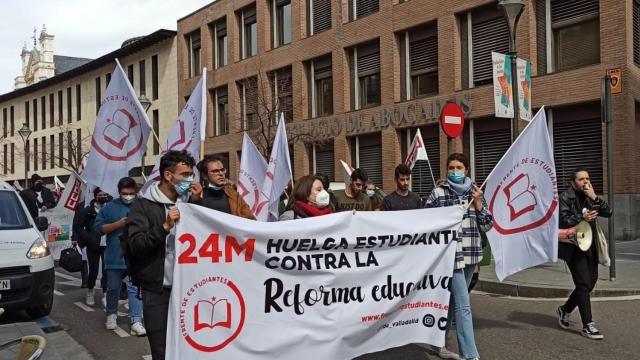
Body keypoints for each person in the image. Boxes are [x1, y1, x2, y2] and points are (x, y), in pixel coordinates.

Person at [127, 150, 198, 360]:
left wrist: (200, 203)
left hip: (188, 288)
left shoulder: (190, 203)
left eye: (191, 174)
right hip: (157, 289)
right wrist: (164, 226)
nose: (189, 179)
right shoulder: (143, 205)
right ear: (168, 175)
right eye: (185, 175)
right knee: (161, 348)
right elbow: (136, 244)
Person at [425, 153, 492, 360]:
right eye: (451, 167)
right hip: (450, 255)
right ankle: (470, 354)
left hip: (471, 253)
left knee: (454, 301)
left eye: (459, 167)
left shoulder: (476, 193)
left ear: (467, 170)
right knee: (463, 304)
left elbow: (488, 224)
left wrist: (479, 203)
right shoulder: (438, 193)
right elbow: (425, 223)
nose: (455, 171)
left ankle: (438, 341)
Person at [557, 168, 612, 340]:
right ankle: (588, 325)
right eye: (581, 179)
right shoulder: (565, 197)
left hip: (590, 244)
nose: (585, 182)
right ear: (573, 183)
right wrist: (582, 218)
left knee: (590, 284)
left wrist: (595, 197)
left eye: (587, 178)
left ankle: (565, 309)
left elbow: (608, 212)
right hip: (573, 246)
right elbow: (563, 220)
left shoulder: (590, 196)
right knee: (582, 284)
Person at [94, 177, 146, 336]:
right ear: (119, 192)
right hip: (115, 256)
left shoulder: (143, 206)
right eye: (125, 193)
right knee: (113, 288)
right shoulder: (109, 208)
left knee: (135, 289)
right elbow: (98, 229)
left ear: (136, 192)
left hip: (136, 256)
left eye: (131, 193)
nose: (128, 196)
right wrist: (118, 224)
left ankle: (136, 320)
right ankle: (111, 314)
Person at [73, 187, 110, 306]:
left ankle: (105, 294)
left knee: (107, 271)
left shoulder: (110, 209)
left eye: (105, 194)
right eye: (100, 194)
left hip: (108, 244)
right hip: (93, 245)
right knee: (93, 271)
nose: (103, 196)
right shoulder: (87, 211)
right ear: (95, 196)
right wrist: (87, 238)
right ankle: (90, 290)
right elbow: (78, 226)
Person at [191, 154, 255, 219]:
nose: (221, 174)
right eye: (215, 171)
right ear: (204, 175)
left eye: (222, 170)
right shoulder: (197, 197)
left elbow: (250, 220)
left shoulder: (235, 196)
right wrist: (195, 200)